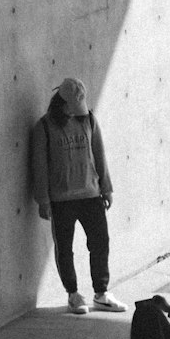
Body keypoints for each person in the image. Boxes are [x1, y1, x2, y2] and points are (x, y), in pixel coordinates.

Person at [31, 76, 127, 314]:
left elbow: (99, 154)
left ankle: (102, 293)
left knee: (100, 242)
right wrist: (43, 200)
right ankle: (73, 294)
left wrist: (107, 188)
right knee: (65, 248)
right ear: (60, 103)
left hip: (91, 195)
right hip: (61, 200)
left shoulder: (89, 120)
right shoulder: (44, 127)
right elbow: (39, 166)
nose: (76, 112)